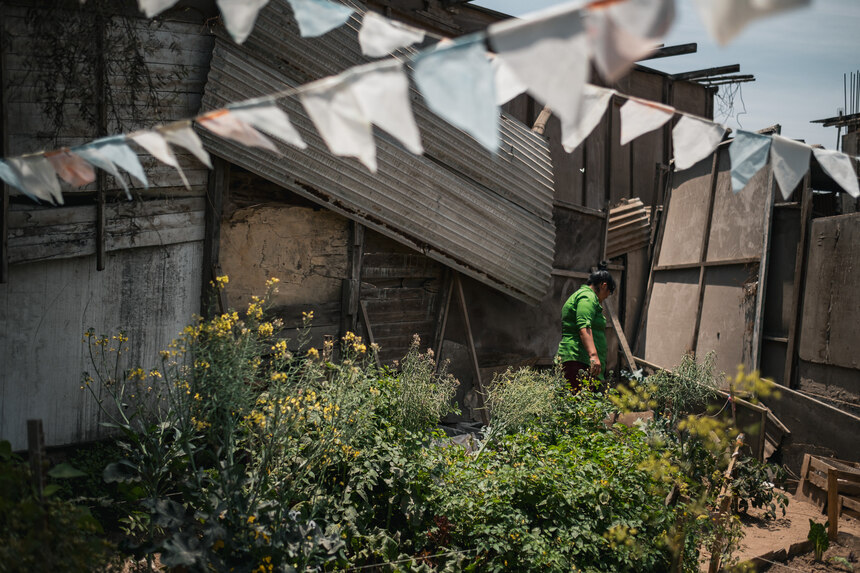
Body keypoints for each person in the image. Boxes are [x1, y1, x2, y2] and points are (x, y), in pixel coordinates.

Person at [556, 262, 616, 392]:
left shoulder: (586, 297)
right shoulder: (587, 297)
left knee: (583, 406)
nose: (605, 298)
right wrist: (593, 356)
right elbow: (584, 326)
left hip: (581, 361)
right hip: (578, 359)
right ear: (603, 285)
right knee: (578, 404)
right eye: (608, 293)